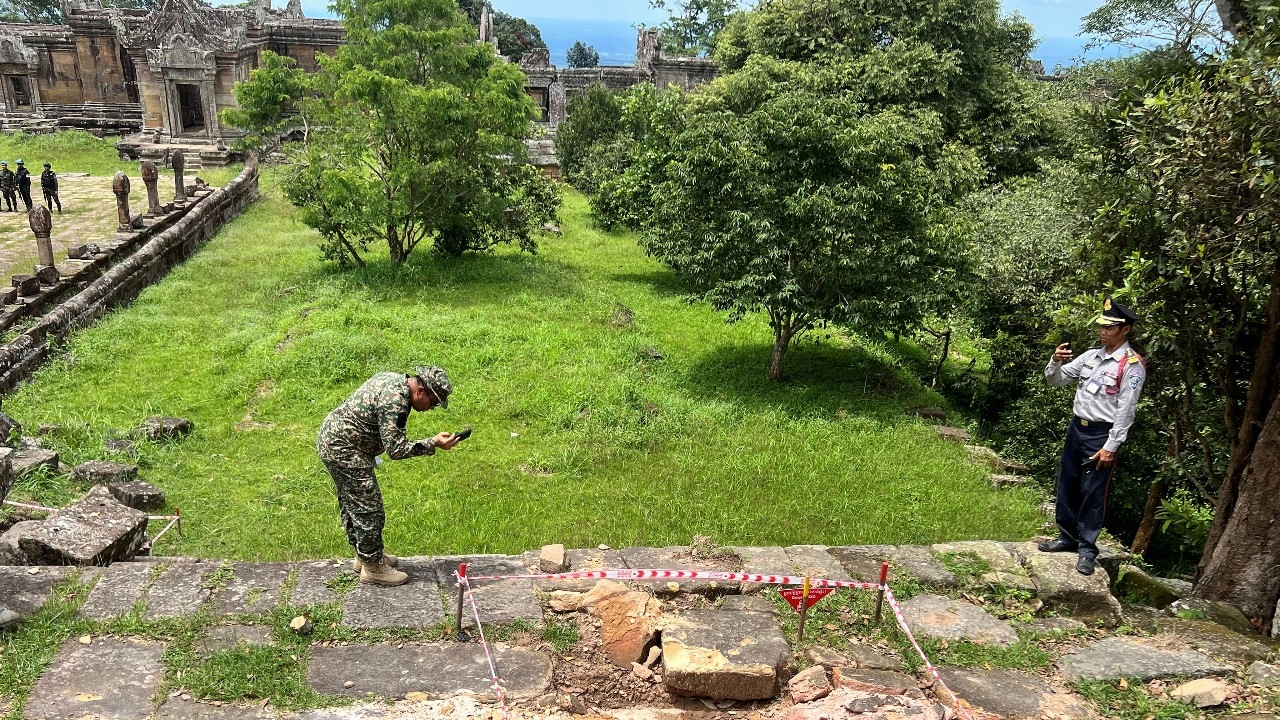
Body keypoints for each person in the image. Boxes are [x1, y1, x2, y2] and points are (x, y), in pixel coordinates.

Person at [316, 366, 460, 586]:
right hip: (344, 449)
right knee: (368, 508)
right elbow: (396, 449)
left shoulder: (394, 380)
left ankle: (366, 556)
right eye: (433, 402)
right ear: (420, 391)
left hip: (338, 441)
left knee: (354, 504)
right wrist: (432, 443)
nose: (432, 408)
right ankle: (373, 569)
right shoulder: (396, 401)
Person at [1039, 298, 1146, 576]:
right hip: (1077, 428)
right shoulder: (1090, 356)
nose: (1103, 331)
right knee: (1068, 482)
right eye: (1101, 326)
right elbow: (1056, 380)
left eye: (1110, 327)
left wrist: (1111, 446)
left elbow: (1127, 410)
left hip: (1101, 434)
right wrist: (1055, 361)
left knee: (1093, 491)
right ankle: (1067, 537)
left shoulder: (1130, 365)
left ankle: (1087, 548)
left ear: (1125, 330)